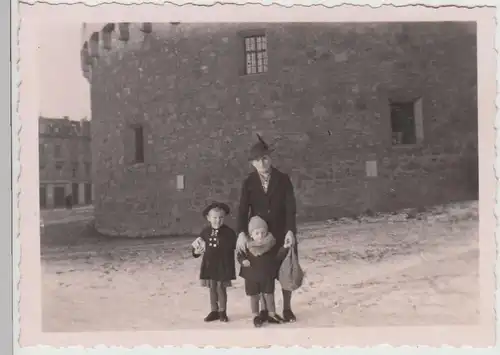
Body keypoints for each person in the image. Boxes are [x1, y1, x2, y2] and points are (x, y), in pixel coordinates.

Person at [236, 134, 299, 323]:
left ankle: (287, 308)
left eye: (264, 158)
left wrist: (290, 231)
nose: (262, 163)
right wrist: (241, 233)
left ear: (270, 158)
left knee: (286, 270)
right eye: (257, 160)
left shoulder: (283, 179)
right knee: (263, 272)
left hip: (282, 233)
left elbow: (290, 208)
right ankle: (265, 310)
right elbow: (242, 210)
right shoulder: (249, 183)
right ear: (252, 164)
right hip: (260, 237)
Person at [237, 216, 290, 327]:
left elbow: (277, 257)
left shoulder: (271, 244)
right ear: (251, 234)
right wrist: (243, 261)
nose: (260, 236)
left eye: (263, 232)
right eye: (257, 233)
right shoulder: (247, 246)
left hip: (267, 275)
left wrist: (284, 248)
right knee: (254, 296)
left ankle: (272, 313)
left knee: (269, 295)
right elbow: (239, 255)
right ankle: (255, 315)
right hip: (252, 276)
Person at [191, 202, 237, 323]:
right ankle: (214, 310)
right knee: (212, 288)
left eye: (221, 218)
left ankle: (222, 311)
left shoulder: (229, 232)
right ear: (208, 218)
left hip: (223, 265)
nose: (217, 220)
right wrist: (196, 250)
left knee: (221, 288)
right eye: (215, 218)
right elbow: (197, 249)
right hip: (210, 265)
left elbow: (232, 247)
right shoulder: (205, 232)